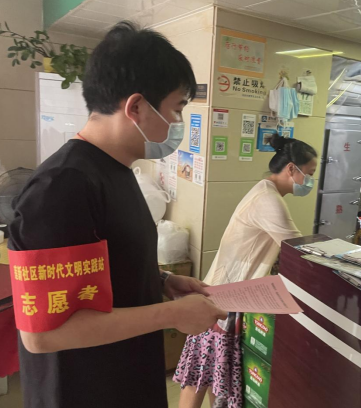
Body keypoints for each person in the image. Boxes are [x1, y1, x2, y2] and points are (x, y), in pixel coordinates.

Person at [8, 22, 227, 408]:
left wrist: (162, 281)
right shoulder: (63, 185)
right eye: (177, 109)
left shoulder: (117, 170)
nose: (178, 123)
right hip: (83, 391)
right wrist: (172, 314)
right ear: (136, 107)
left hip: (125, 376)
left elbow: (102, 267)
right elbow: (42, 334)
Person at [173, 134, 318, 408]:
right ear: (291, 169)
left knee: (213, 374)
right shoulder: (269, 201)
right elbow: (299, 250)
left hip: (224, 294)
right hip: (226, 298)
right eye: (309, 174)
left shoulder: (265, 192)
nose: (310, 181)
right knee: (201, 374)